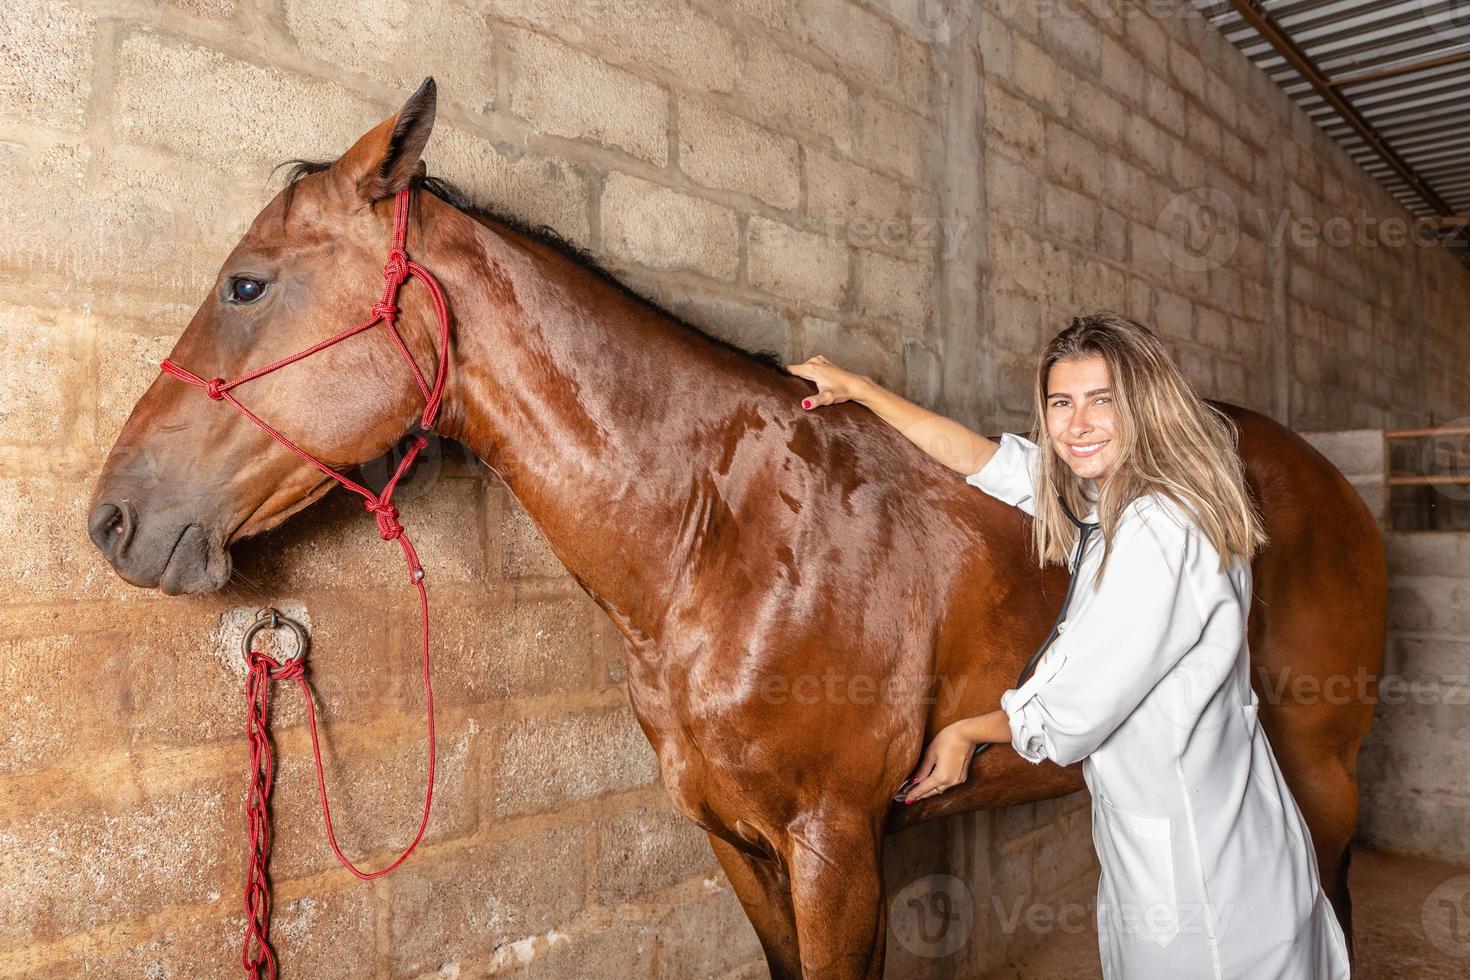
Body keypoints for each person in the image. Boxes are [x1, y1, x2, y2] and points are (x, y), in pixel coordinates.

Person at [786, 313, 1351, 979]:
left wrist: (969, 731)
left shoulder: (1161, 528)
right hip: (1193, 831)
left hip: (1201, 867)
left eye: (1101, 400)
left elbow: (1073, 713)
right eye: (1061, 403)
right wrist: (865, 391)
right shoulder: (1118, 496)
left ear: (1145, 404)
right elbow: (982, 459)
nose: (1077, 424)